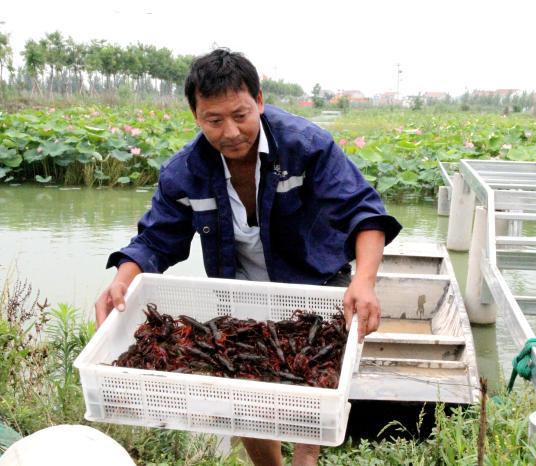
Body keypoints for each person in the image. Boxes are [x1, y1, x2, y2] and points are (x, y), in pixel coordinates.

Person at [94, 49, 401, 466]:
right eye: (213, 120)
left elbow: (363, 213)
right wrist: (122, 279)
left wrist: (364, 281)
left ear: (259, 99)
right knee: (243, 396)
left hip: (314, 284)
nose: (230, 131)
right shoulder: (185, 172)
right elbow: (156, 238)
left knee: (312, 389)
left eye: (240, 115)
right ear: (196, 116)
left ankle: (306, 455)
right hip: (240, 295)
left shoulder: (307, 148)